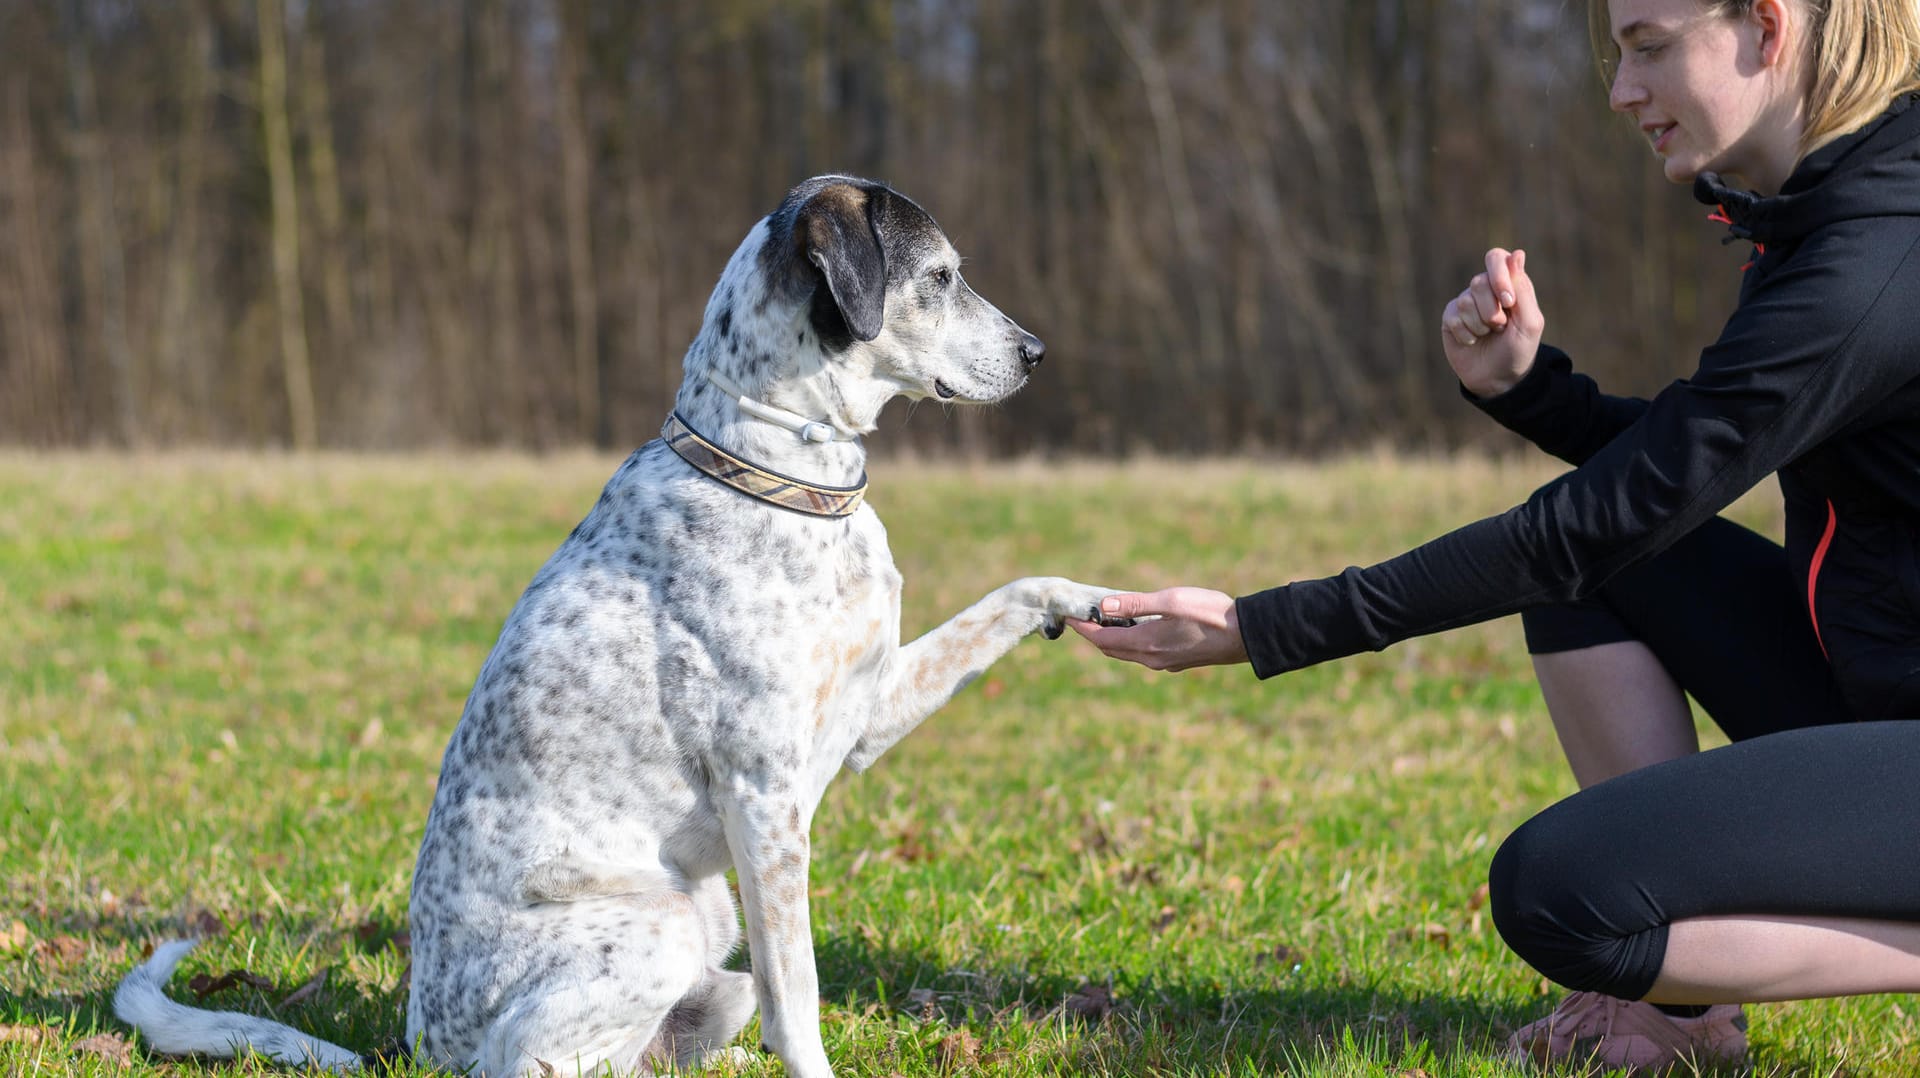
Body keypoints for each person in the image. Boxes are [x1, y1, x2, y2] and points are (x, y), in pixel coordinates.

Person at [1070, 0, 1920, 1068]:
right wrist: (1533, 392)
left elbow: (1589, 521)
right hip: (1881, 687)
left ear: (1767, 26)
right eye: (1617, 55)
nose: (1620, 92)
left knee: (1563, 899)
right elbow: (1669, 475)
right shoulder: (1836, 214)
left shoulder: (1874, 261)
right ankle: (1680, 1017)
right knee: (1602, 577)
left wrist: (1264, 625)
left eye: (1649, 47)